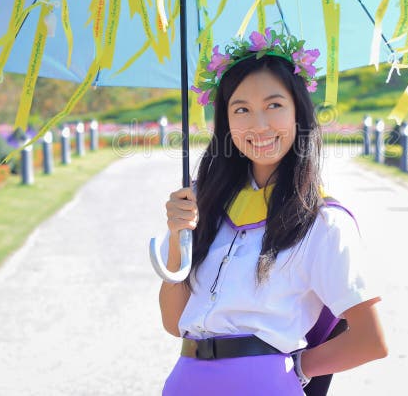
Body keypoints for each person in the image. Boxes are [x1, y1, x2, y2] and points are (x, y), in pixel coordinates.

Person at [158, 28, 387, 395]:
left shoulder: (322, 221)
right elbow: (173, 322)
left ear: (299, 111)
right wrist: (177, 237)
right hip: (186, 381)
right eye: (242, 110)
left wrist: (293, 370)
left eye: (274, 105)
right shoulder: (206, 207)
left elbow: (370, 339)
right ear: (225, 120)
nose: (258, 125)